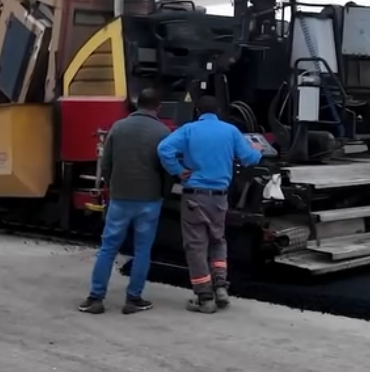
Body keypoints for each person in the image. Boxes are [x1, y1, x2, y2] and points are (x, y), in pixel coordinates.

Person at [157, 95, 263, 314]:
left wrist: (177, 171)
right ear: (218, 111)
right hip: (220, 197)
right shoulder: (231, 131)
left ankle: (205, 297)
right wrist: (258, 151)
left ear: (197, 110)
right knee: (217, 240)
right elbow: (249, 159)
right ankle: (221, 287)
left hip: (195, 196)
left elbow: (163, 149)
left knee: (196, 245)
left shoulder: (189, 130)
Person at [79, 88, 171, 315]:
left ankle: (95, 299)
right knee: (142, 250)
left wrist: (112, 186)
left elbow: (106, 163)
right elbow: (167, 168)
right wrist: (163, 192)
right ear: (158, 107)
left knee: (108, 248)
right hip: (149, 199)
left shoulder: (118, 127)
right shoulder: (163, 131)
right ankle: (133, 299)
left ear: (137, 104)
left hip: (120, 198)